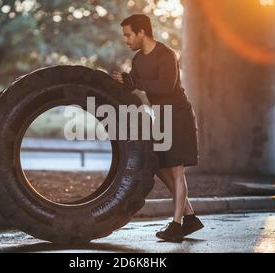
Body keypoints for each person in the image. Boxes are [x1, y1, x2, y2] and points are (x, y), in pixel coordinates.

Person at [112, 14, 204, 242]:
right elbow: (131, 84)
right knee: (157, 165)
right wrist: (119, 83)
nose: (126, 40)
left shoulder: (166, 54)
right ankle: (190, 217)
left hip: (179, 116)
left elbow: (166, 85)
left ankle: (176, 225)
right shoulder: (138, 60)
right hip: (162, 117)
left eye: (128, 34)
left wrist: (136, 83)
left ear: (142, 32)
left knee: (176, 169)